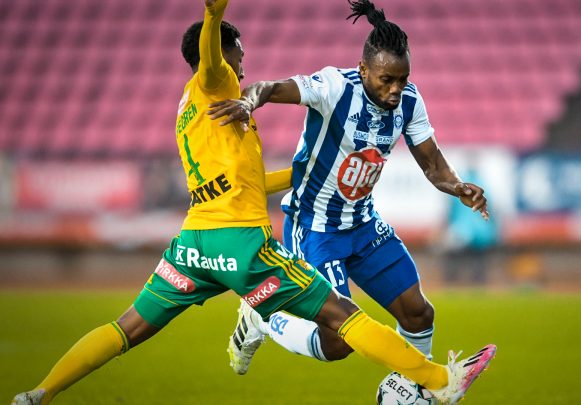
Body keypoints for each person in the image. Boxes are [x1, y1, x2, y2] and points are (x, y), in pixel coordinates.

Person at [11, 1, 495, 404]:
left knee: (125, 329)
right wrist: (215, 14)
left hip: (194, 244)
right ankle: (435, 381)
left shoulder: (189, 111)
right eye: (238, 54)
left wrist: (305, 173)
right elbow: (233, 65)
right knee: (341, 320)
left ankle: (39, 393)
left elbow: (245, 182)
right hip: (245, 244)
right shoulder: (215, 81)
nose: (244, 64)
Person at [208, 0, 492, 383]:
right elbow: (269, 87)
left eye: (402, 79)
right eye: (386, 80)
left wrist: (457, 187)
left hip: (363, 225)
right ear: (363, 69)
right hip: (315, 228)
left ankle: (406, 391)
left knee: (419, 313)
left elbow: (433, 164)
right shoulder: (335, 86)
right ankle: (262, 317)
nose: (395, 90)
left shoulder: (410, 102)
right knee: (339, 340)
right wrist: (248, 100)